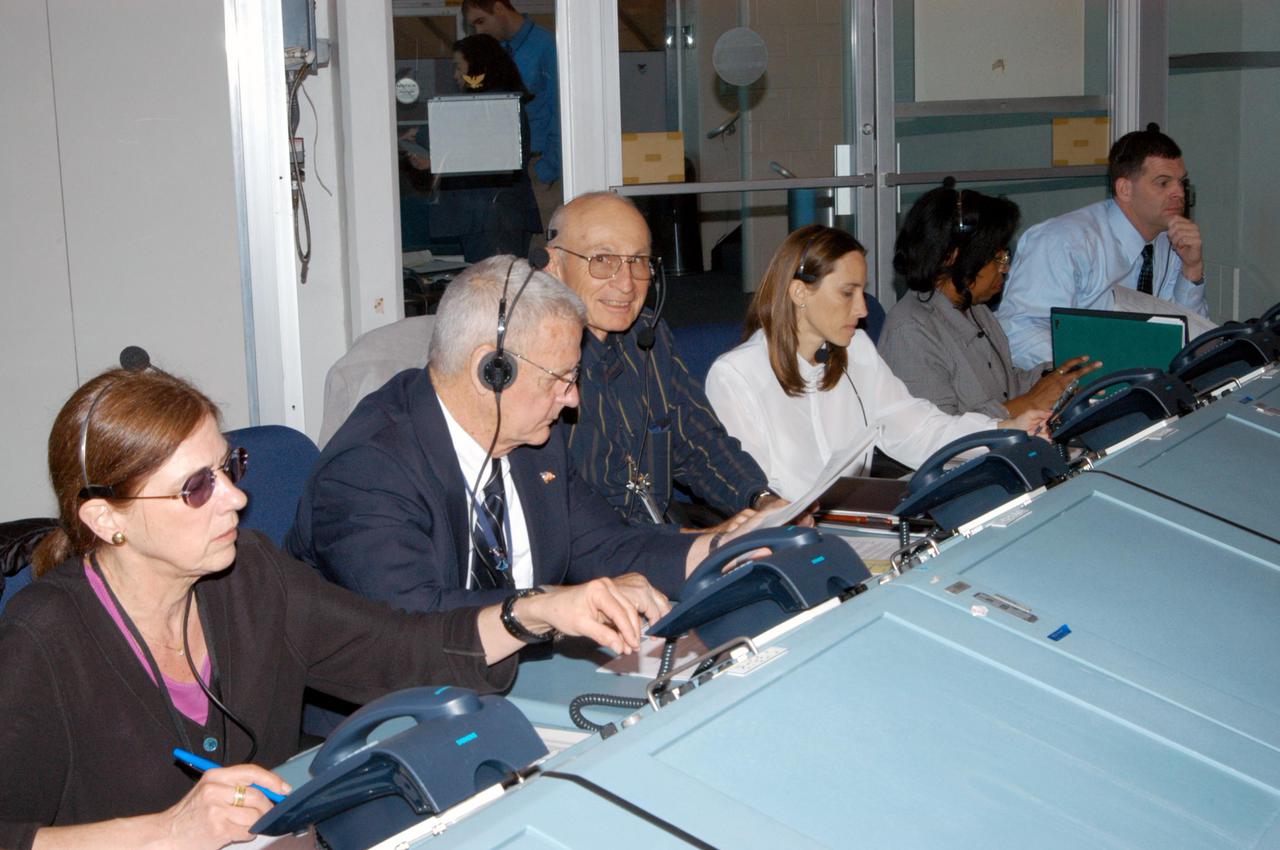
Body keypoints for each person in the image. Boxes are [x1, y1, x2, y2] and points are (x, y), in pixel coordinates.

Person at [0, 363, 666, 850]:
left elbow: (397, 650)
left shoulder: (251, 576)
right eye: (196, 488)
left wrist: (537, 612)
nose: (235, 497)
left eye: (228, 466)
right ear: (104, 518)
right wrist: (166, 831)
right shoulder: (43, 639)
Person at [287, 256, 774, 617]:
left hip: (514, 679)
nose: (573, 399)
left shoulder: (530, 443)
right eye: (559, 379)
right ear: (491, 371)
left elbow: (609, 547)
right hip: (389, 717)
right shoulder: (367, 471)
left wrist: (723, 548)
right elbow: (417, 621)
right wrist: (555, 607)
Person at [704, 225, 1049, 500]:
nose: (863, 310)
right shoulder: (737, 376)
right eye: (847, 292)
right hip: (793, 535)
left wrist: (1003, 432)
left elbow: (916, 428)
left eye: (862, 292)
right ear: (799, 293)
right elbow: (757, 491)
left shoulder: (855, 350)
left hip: (856, 521)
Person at [544, 192, 782, 528]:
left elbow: (699, 442)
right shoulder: (531, 363)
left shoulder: (648, 336)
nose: (626, 284)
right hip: (592, 562)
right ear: (555, 264)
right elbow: (561, 521)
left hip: (663, 537)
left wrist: (760, 500)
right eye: (603, 260)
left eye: (638, 261)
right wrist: (698, 542)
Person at [879, 181, 1100, 419]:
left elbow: (1006, 387)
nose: (1005, 269)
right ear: (951, 256)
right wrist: (1031, 402)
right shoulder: (911, 331)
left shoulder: (976, 309)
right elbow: (940, 437)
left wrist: (1055, 377)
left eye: (1006, 255)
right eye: (997, 257)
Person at [998, 123, 1209, 368]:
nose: (1178, 193)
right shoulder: (1064, 241)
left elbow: (1188, 334)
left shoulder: (1169, 239)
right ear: (1125, 189)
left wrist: (1192, 270)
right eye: (1163, 183)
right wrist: (1096, 369)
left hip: (1147, 380)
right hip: (1078, 384)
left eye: (1181, 182)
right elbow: (1021, 334)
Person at [403, 34, 541, 262]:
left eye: (459, 67)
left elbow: (475, 153)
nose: (455, 75)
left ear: (478, 65)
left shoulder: (496, 105)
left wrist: (422, 136)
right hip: (489, 217)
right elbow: (474, 154)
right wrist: (434, 160)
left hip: (494, 218)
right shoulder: (496, 103)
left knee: (494, 289)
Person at [462, 0, 561, 235]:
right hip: (505, 171)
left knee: (541, 254)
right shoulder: (495, 52)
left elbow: (561, 111)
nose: (478, 30)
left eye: (480, 21)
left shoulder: (546, 47)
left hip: (538, 168)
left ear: (498, 8)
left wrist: (548, 168)